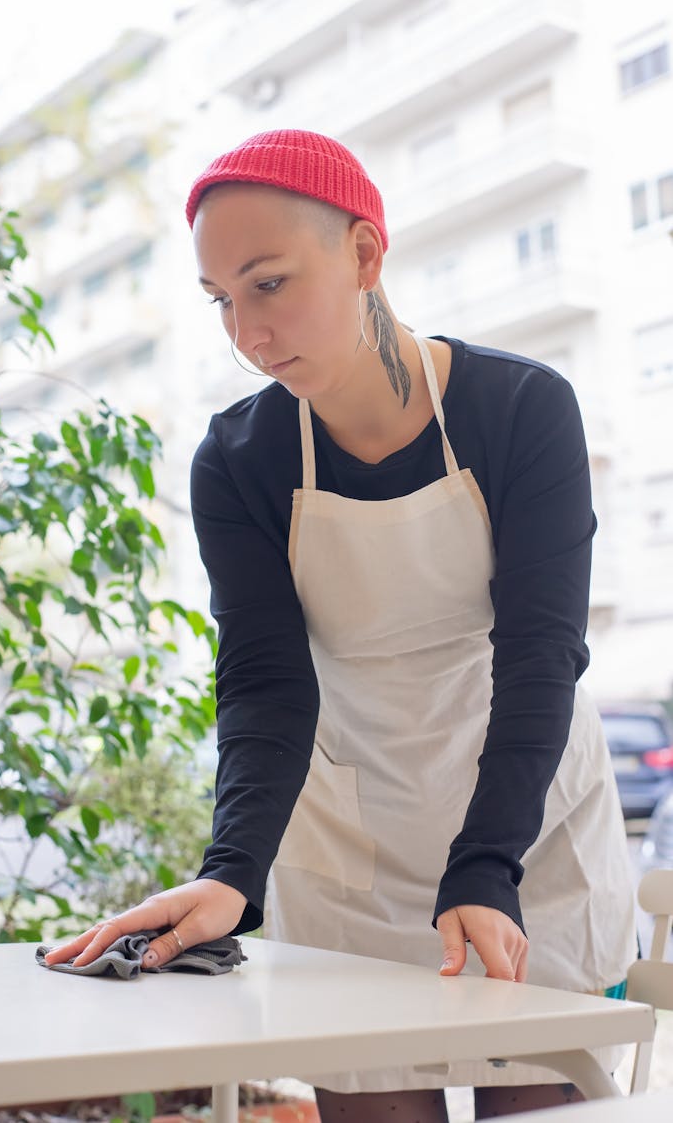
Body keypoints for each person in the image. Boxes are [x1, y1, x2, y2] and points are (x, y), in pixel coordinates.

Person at [46, 130, 637, 1121]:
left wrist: (487, 863)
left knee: (539, 1094)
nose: (247, 330)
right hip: (353, 845)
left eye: (268, 282)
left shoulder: (521, 406)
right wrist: (231, 870)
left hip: (530, 831)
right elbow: (270, 679)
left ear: (366, 254)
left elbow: (541, 653)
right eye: (221, 299)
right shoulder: (239, 458)